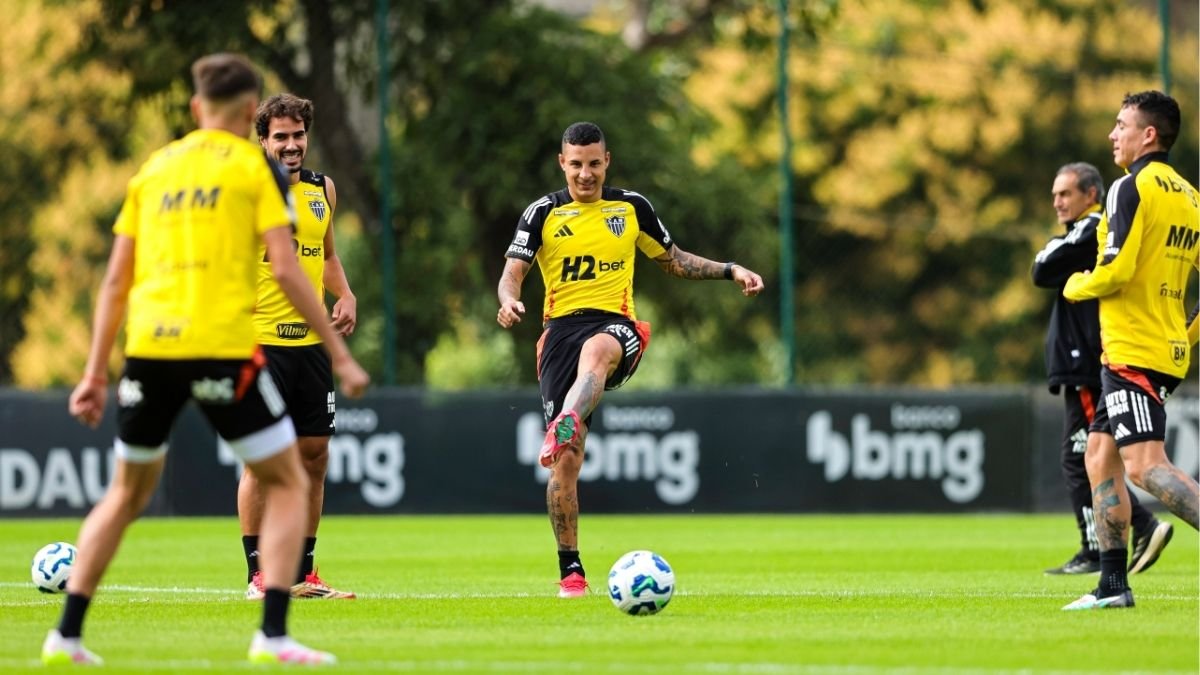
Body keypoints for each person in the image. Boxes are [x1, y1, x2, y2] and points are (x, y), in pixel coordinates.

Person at [44, 53, 369, 666]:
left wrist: (93, 372)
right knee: (287, 479)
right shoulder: (256, 174)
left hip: (150, 347)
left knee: (124, 495)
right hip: (222, 346)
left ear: (196, 107)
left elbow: (115, 280)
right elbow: (286, 269)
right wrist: (342, 353)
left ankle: (67, 635)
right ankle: (273, 634)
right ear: (250, 114)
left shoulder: (154, 170)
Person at [496, 122, 765, 597]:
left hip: (616, 325)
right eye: (576, 165)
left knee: (598, 351)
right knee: (567, 461)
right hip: (559, 333)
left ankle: (565, 420)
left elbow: (674, 260)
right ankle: (571, 571)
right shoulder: (542, 213)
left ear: (607, 161)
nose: (585, 174)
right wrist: (508, 300)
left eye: (593, 164)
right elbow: (512, 273)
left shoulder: (631, 208)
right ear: (562, 163)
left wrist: (730, 270)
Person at [1061, 90, 1199, 610]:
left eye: (1122, 125)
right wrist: (1185, 335)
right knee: (1099, 457)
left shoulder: (1129, 186)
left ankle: (1113, 584)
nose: (1112, 134)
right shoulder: (1190, 196)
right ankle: (1113, 586)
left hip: (1133, 349)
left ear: (1149, 134)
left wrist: (1075, 284)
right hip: (1160, 348)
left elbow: (1116, 270)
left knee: (1144, 467)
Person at [238, 93, 357, 601]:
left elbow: (325, 255)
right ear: (263, 140)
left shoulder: (322, 189)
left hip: (311, 346)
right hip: (261, 342)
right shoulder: (247, 191)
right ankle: (259, 576)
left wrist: (345, 294)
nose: (291, 145)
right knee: (261, 461)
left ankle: (304, 573)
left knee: (315, 456)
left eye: (298, 135)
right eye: (281, 137)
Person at [1031, 162, 1171, 576]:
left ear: (1091, 194)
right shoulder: (1090, 229)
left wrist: (1058, 246)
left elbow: (1041, 268)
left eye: (1065, 194)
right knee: (1094, 457)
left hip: (1090, 363)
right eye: (1055, 195)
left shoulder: (1092, 227)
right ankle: (1130, 534)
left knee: (1086, 458)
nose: (1057, 202)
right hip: (1090, 361)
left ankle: (1106, 545)